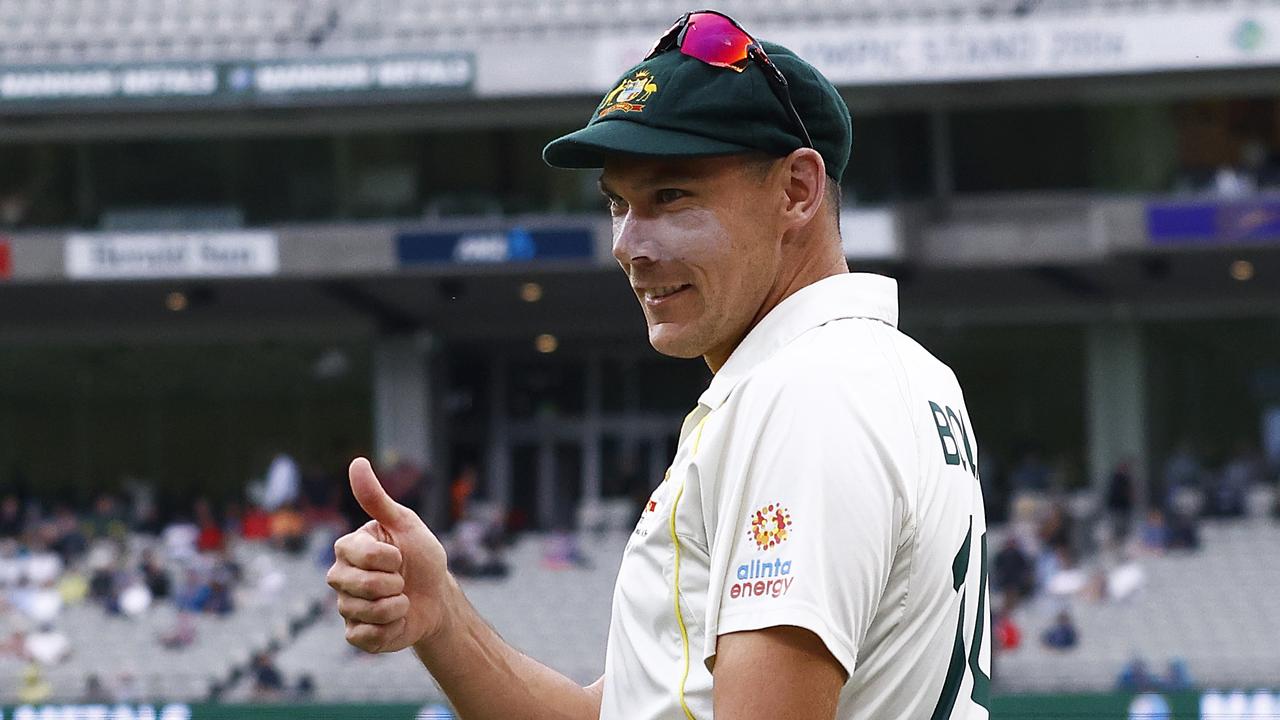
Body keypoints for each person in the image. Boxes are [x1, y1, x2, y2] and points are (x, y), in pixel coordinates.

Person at [327, 10, 990, 719]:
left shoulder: (806, 391)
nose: (628, 243)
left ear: (797, 190)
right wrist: (444, 618)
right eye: (619, 203)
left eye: (671, 196)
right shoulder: (894, 374)